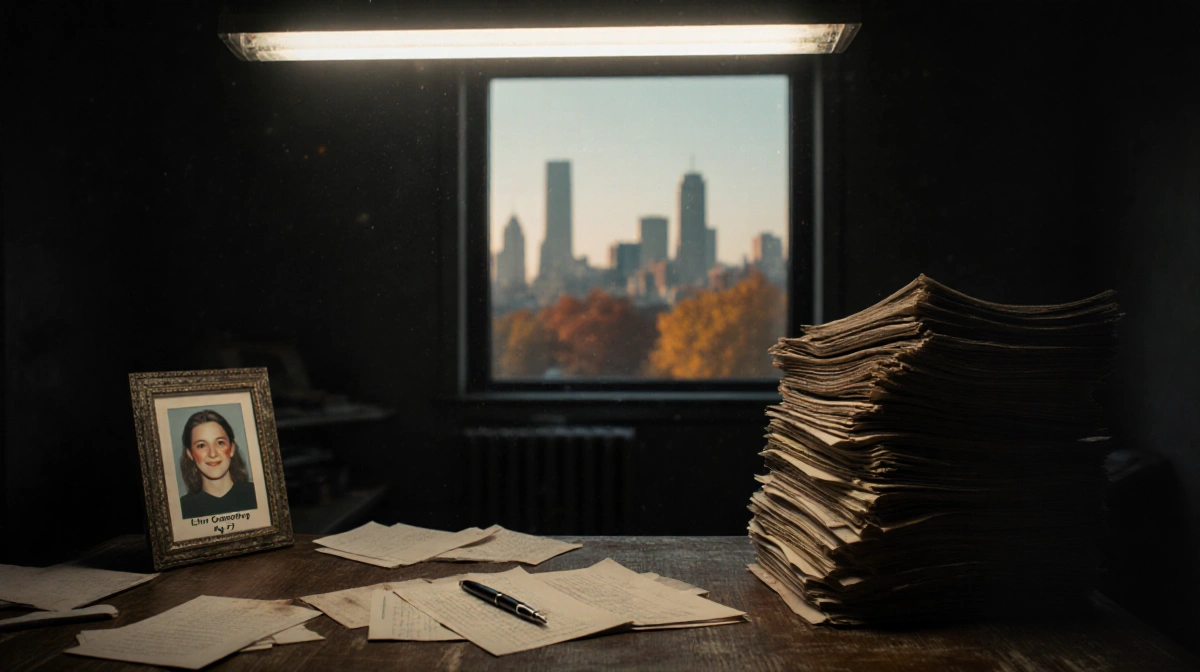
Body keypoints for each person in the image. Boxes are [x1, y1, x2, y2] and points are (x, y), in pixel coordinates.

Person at [178, 409, 258, 519]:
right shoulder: (181, 509)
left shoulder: (258, 495)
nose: (212, 454)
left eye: (220, 443)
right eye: (201, 445)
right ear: (190, 454)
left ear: (232, 448)